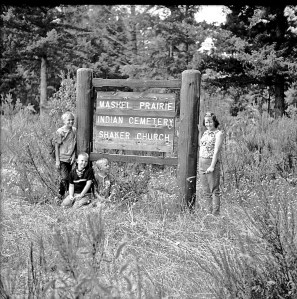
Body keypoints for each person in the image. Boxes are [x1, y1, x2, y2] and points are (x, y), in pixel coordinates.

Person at [199, 112, 224, 216]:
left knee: (214, 190)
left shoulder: (219, 133)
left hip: (211, 162)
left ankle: (216, 214)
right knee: (206, 191)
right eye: (206, 122)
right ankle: (208, 214)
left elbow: (217, 150)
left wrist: (212, 166)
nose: (208, 124)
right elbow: (201, 145)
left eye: (210, 122)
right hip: (202, 162)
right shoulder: (205, 133)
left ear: (214, 122)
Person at [54, 111, 77, 199]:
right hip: (62, 158)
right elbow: (56, 146)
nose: (71, 122)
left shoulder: (74, 130)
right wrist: (57, 160)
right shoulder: (60, 131)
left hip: (70, 158)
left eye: (72, 120)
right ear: (64, 121)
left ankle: (63, 195)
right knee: (65, 177)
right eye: (68, 120)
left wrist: (74, 155)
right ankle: (62, 194)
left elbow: (75, 144)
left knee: (69, 177)